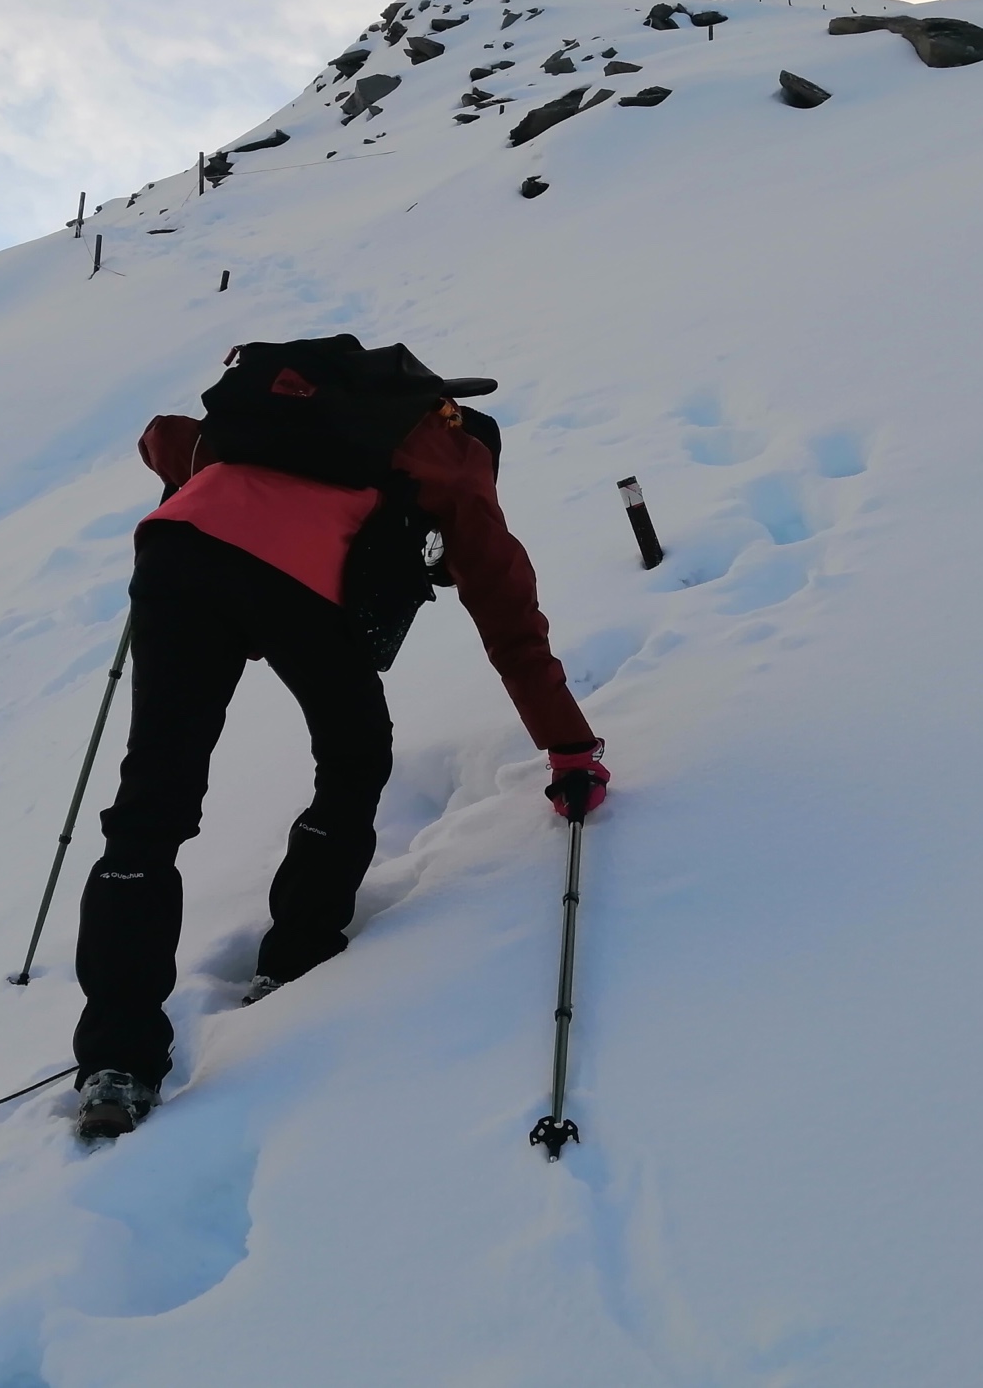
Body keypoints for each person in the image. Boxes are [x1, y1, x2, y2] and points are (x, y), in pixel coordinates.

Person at [70, 338, 611, 1139]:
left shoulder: (297, 412)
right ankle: (296, 954)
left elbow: (163, 434)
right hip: (295, 586)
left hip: (177, 552)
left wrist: (193, 486)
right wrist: (569, 750)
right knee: (355, 756)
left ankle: (118, 1060)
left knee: (152, 801)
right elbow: (510, 626)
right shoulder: (455, 464)